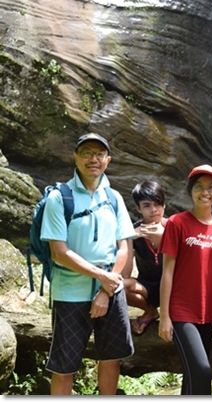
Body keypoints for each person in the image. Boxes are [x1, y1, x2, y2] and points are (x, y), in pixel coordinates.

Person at [40, 133, 136, 395]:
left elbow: (124, 247)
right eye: (86, 153)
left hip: (110, 290)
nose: (93, 159)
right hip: (70, 293)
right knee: (64, 367)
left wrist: (106, 289)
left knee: (111, 358)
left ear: (108, 160)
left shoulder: (114, 197)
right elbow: (59, 252)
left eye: (99, 154)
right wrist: (101, 277)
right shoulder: (59, 198)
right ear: (75, 157)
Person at [158, 164, 212, 395]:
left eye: (211, 187)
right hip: (182, 311)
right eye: (199, 187)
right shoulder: (177, 223)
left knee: (192, 375)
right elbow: (168, 271)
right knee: (202, 370)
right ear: (190, 190)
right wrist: (164, 316)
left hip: (209, 309)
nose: (205, 192)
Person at [122, 180, 167, 335]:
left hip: (174, 287)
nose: (153, 210)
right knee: (119, 287)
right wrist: (129, 239)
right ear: (138, 208)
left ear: (164, 205)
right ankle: (151, 311)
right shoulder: (133, 233)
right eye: (147, 205)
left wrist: (164, 238)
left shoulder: (174, 228)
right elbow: (125, 275)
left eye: (157, 204)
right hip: (146, 288)